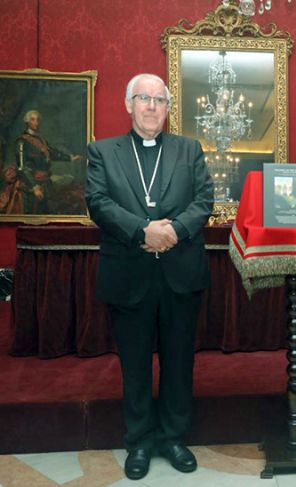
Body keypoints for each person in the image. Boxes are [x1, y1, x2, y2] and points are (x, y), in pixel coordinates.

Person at [85, 73, 214, 480]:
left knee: (179, 364)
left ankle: (174, 438)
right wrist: (144, 231)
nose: (152, 106)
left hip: (180, 272)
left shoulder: (189, 149)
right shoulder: (102, 152)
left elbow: (204, 199)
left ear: (168, 108)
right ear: (129, 104)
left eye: (160, 99)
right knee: (135, 365)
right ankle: (138, 442)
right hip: (130, 273)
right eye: (144, 98)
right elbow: (98, 202)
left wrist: (172, 230)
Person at [14, 110, 82, 214]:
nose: (36, 122)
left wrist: (70, 158)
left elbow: (52, 153)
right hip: (30, 186)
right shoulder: (21, 141)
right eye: (33, 119)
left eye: (38, 120)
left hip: (45, 183)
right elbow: (21, 167)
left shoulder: (41, 140)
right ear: (27, 122)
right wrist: (34, 187)